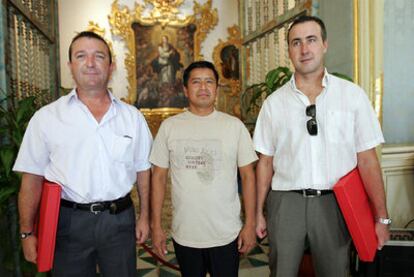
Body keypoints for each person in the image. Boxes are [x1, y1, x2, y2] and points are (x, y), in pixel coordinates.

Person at [253, 15, 390, 276]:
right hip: (285, 202)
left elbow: (368, 159)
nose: (304, 49)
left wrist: (381, 217)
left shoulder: (352, 96)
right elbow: (265, 162)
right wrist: (259, 212)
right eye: (296, 43)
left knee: (336, 272)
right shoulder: (273, 103)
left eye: (311, 40)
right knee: (281, 272)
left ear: (324, 44)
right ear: (289, 51)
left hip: (334, 203)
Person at [13, 31, 153, 276]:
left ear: (111, 66)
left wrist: (144, 217)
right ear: (70, 65)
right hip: (68, 223)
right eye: (81, 56)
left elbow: (144, 170)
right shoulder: (47, 118)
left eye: (98, 56)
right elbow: (31, 178)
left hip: (119, 220)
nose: (90, 63)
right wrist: (27, 232)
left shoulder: (132, 118)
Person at [150, 61, 258, 276]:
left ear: (217, 89)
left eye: (209, 82)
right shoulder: (170, 127)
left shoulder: (234, 126)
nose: (203, 87)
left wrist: (250, 224)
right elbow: (158, 178)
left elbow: (248, 177)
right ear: (185, 89)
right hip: (185, 233)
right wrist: (156, 226)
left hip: (226, 233)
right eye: (196, 82)